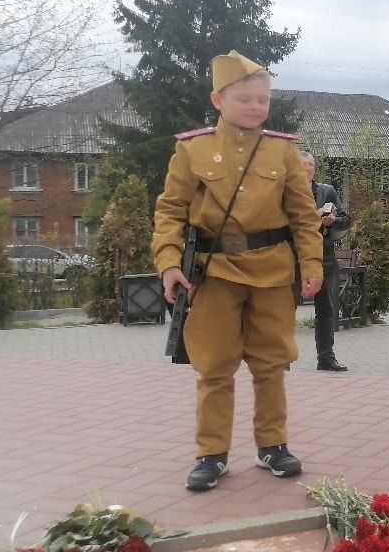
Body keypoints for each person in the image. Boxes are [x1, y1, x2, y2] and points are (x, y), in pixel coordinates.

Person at [154, 50, 323, 492]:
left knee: (271, 365)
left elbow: (304, 216)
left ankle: (273, 446)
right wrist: (169, 263)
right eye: (245, 98)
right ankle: (211, 454)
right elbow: (170, 211)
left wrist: (311, 264)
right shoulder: (193, 148)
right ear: (218, 99)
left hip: (271, 272)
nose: (255, 106)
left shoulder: (283, 151)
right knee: (214, 367)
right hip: (213, 275)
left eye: (262, 99)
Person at [301, 152, 351, 372]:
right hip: (295, 256)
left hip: (325, 255)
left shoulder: (326, 191)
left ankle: (326, 358)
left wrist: (332, 221)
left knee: (327, 308)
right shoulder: (287, 191)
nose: (307, 168)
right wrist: (315, 215)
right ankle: (281, 360)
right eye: (303, 164)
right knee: (285, 308)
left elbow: (347, 219)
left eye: (311, 164)